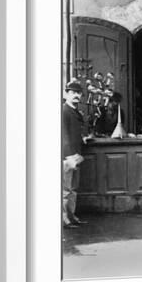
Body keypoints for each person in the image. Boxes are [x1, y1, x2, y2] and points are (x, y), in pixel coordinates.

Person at [62, 80, 89, 228]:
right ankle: (64, 220)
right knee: (66, 190)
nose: (76, 95)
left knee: (73, 189)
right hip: (68, 156)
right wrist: (69, 156)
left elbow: (74, 132)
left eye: (78, 93)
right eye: (73, 93)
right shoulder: (64, 110)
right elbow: (63, 135)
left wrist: (83, 138)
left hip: (76, 155)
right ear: (66, 94)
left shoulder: (74, 111)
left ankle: (72, 217)